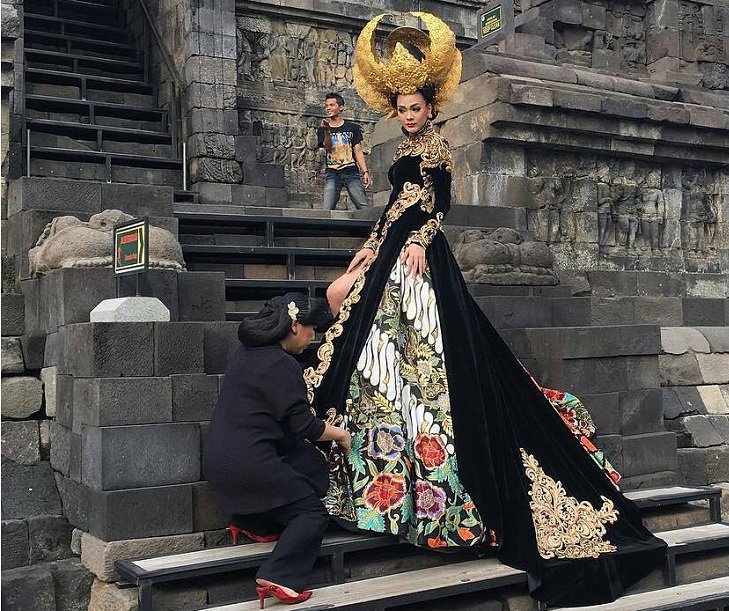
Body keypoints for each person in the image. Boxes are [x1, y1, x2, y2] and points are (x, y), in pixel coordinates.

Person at [305, 12, 667, 607]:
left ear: (431, 108)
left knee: (423, 356)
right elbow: (393, 208)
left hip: (421, 255)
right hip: (395, 248)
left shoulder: (437, 148)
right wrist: (367, 253)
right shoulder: (403, 150)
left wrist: (419, 241)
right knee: (375, 351)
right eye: (400, 107)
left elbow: (434, 201)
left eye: (415, 107)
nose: (408, 114)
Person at [202, 294, 351, 607]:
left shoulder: (244, 353)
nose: (314, 338)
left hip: (219, 461)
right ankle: (279, 576)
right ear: (296, 325)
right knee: (312, 513)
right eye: (312, 330)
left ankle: (251, 522)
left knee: (301, 465)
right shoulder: (282, 365)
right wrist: (341, 434)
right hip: (252, 465)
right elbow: (305, 427)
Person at [317, 92, 371, 210]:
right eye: (326, 106)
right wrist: (326, 131)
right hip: (332, 173)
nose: (328, 108)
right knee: (327, 208)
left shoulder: (352, 128)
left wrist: (365, 171)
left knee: (363, 206)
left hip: (351, 171)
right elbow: (328, 147)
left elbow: (358, 150)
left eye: (331, 105)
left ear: (340, 107)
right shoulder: (323, 128)